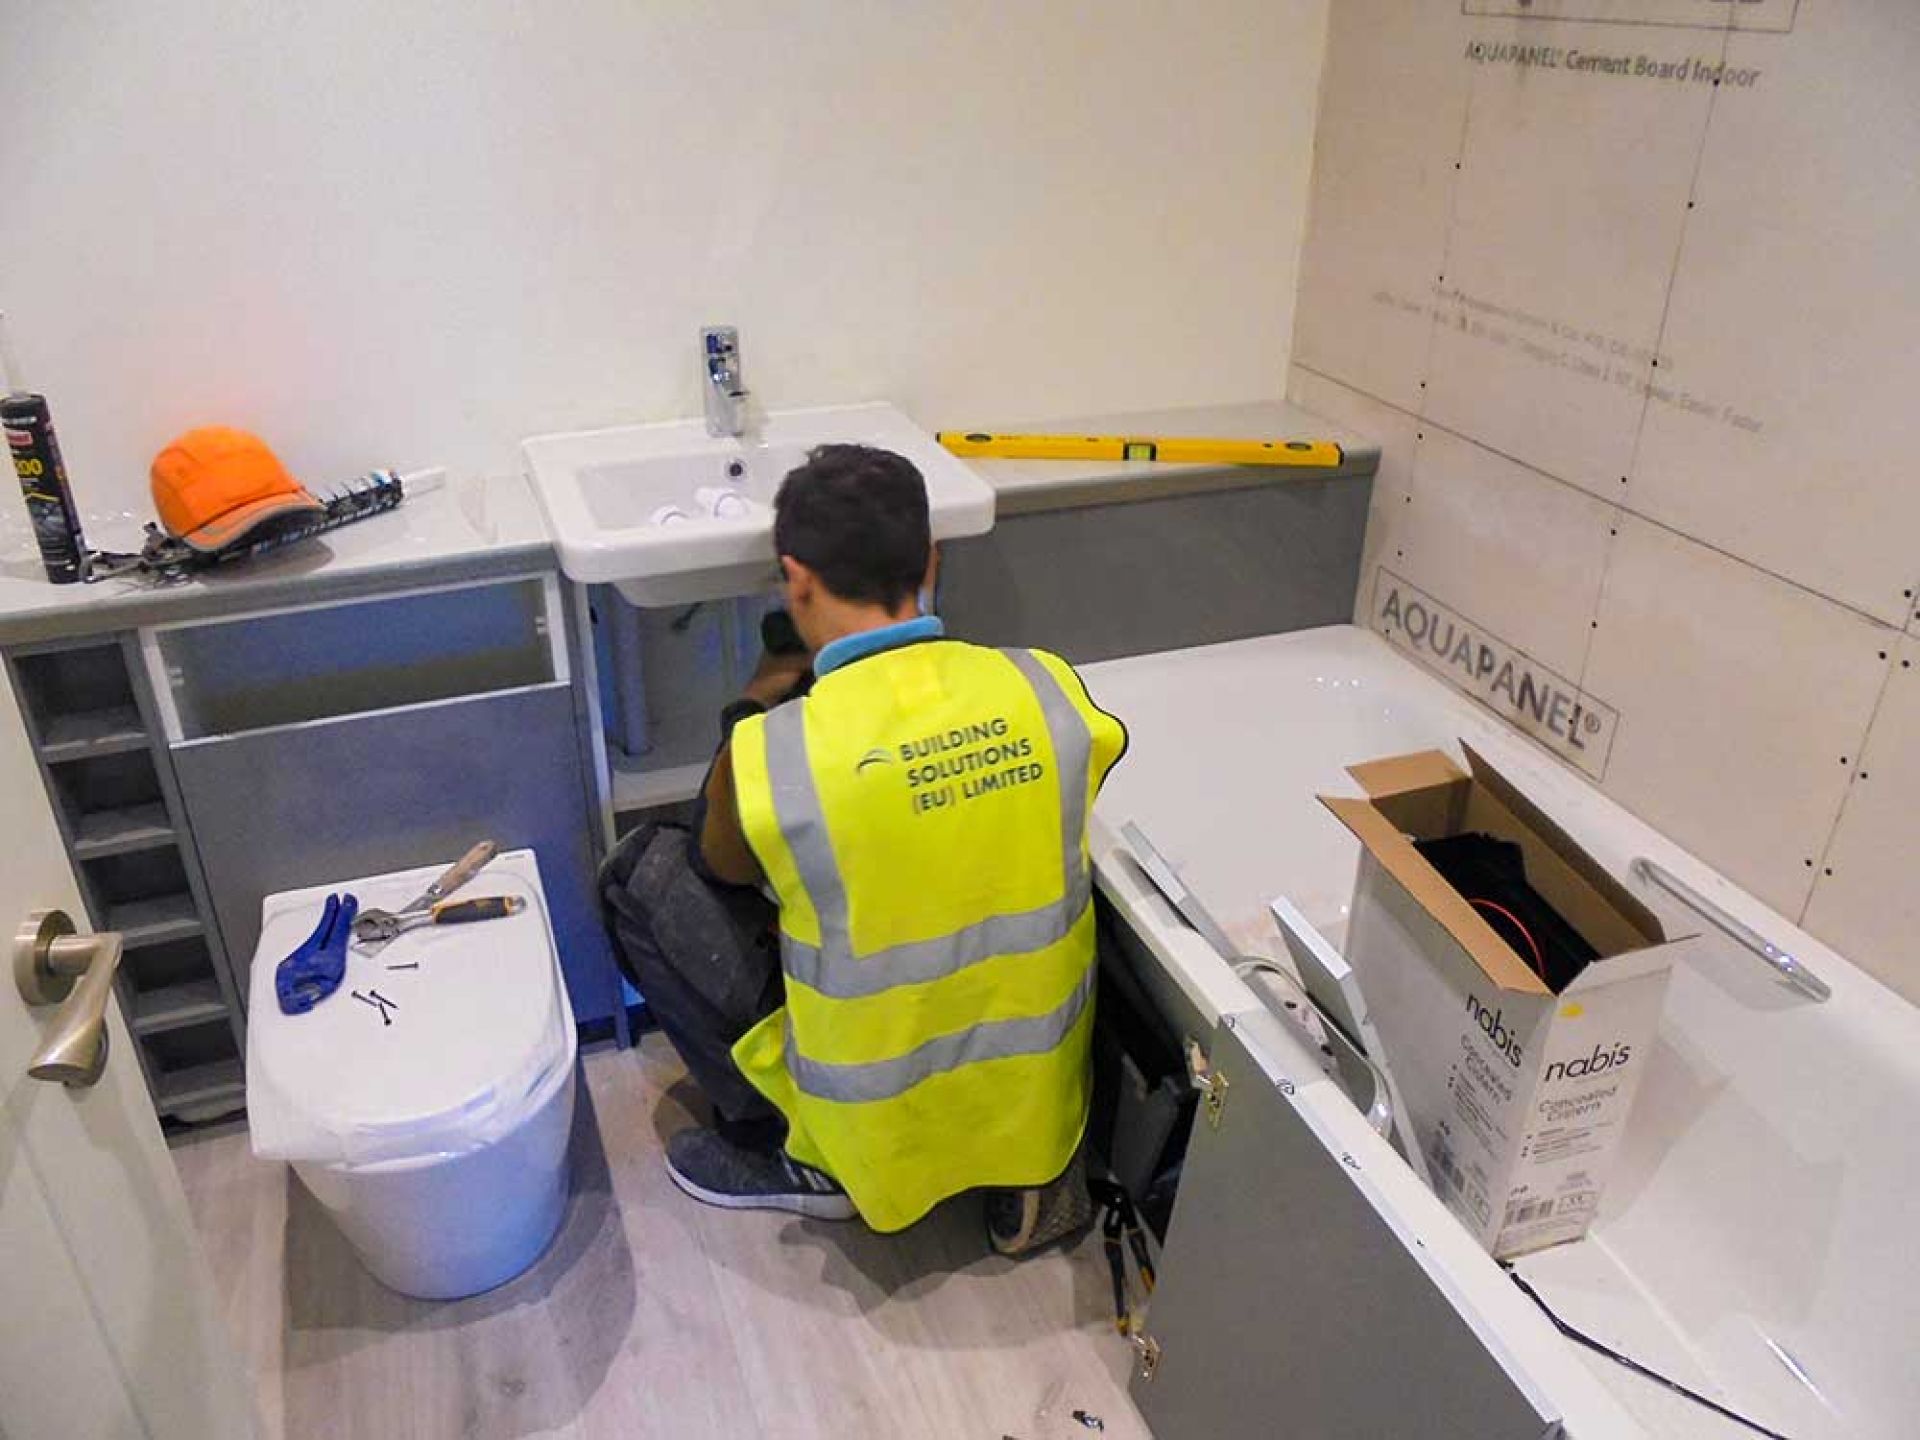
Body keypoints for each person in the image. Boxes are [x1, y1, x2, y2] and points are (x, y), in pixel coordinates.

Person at [600, 443, 1126, 1251]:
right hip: (1030, 1096)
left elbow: (719, 871)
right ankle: (1027, 1163)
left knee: (640, 871)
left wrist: (750, 709)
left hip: (863, 1119)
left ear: (795, 579)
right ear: (932, 561)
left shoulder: (773, 754)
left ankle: (812, 1163)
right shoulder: (1046, 688)